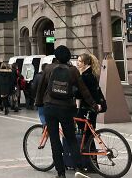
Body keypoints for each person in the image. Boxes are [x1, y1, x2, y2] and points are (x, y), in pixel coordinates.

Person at [35, 45, 101, 178]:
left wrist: (39, 103)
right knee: (71, 138)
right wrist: (94, 105)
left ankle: (61, 173)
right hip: (66, 108)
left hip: (50, 108)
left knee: (54, 140)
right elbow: (83, 90)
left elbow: (40, 88)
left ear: (56, 57)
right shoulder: (73, 71)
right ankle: (78, 169)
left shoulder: (48, 69)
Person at [76, 52, 103, 171]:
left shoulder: (85, 76)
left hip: (87, 109)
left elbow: (80, 94)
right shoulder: (90, 74)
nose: (77, 62)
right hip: (91, 109)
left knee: (88, 136)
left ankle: (91, 164)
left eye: (80, 61)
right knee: (89, 136)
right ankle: (92, 163)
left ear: (85, 63)